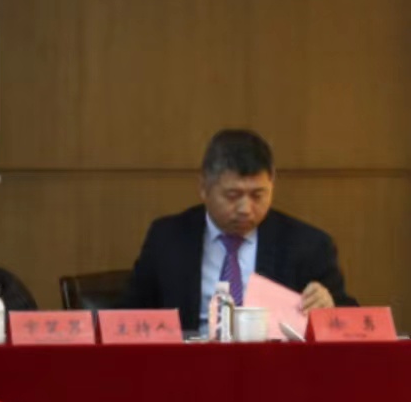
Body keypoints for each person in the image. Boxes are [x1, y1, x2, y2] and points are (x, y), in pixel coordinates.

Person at [120, 128, 354, 330]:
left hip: (272, 364)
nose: (245, 209)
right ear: (203, 187)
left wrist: (329, 309)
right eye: (233, 195)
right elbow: (129, 316)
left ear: (272, 183)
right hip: (189, 362)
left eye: (257, 195)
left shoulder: (308, 245)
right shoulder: (167, 238)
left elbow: (351, 321)